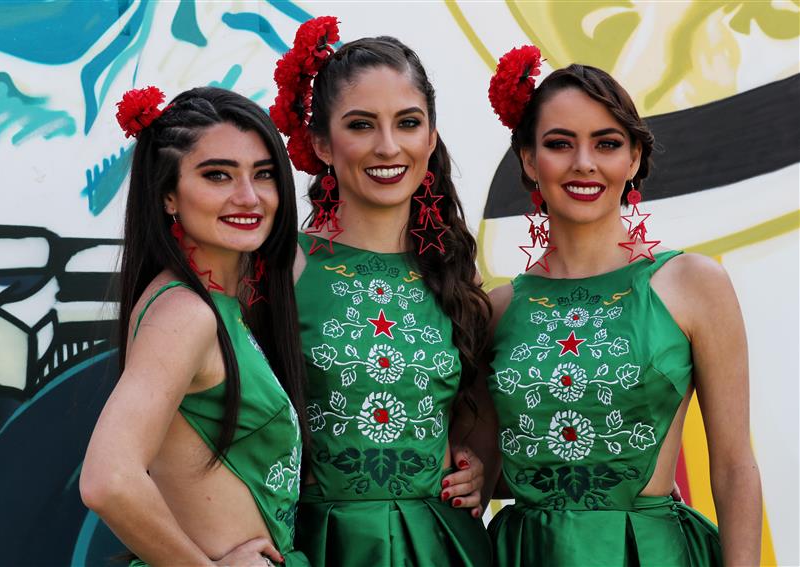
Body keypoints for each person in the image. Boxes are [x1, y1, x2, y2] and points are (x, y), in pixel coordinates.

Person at [484, 47, 762, 566]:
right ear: (528, 159)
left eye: (606, 143)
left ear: (633, 158)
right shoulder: (497, 309)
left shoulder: (695, 284)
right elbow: (492, 457)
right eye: (559, 143)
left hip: (648, 553)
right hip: (525, 553)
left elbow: (733, 466)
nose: (584, 162)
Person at [269, 17, 495, 567]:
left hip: (441, 545)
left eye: (408, 122)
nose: (388, 146)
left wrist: (478, 470)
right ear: (322, 143)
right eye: (362, 125)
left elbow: (474, 420)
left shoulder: (455, 271)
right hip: (321, 543)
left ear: (431, 136)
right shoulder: (280, 268)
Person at [80, 86, 310, 566]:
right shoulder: (187, 314)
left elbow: (294, 257)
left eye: (263, 174)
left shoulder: (215, 300)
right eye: (217, 175)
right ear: (168, 195)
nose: (248, 197)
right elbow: (108, 479)